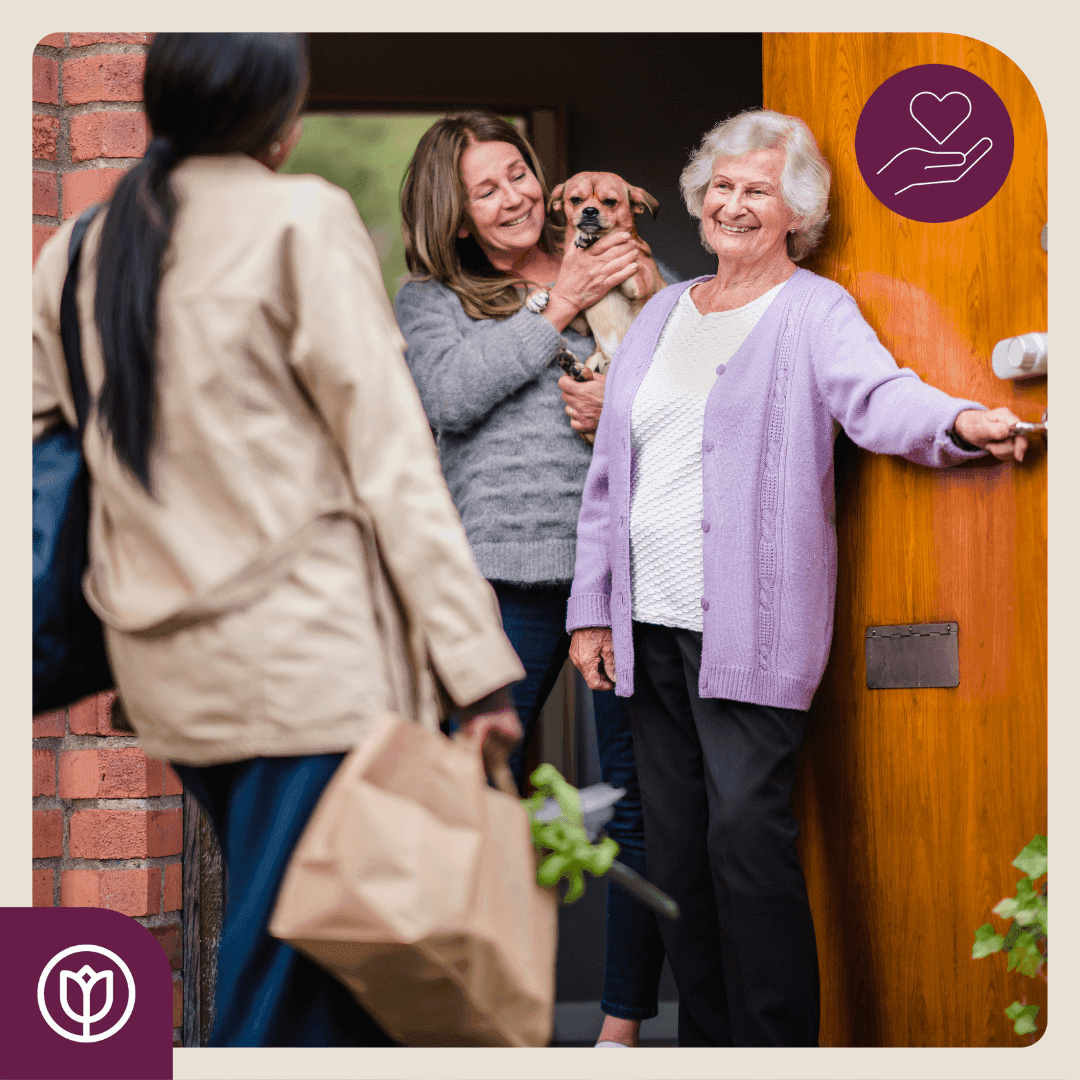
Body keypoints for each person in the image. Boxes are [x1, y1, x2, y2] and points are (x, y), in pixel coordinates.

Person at [32, 34, 525, 1048]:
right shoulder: (300, 218)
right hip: (305, 667)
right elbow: (389, 456)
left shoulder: (80, 245)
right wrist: (476, 671)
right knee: (290, 986)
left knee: (308, 961)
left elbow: (45, 453)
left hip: (169, 671)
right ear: (279, 120)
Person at [566, 108, 1032, 1048]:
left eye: (759, 190)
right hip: (644, 626)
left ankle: (777, 1052)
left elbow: (878, 396)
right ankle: (706, 1048)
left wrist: (961, 423)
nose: (735, 205)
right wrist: (592, 609)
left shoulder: (813, 311)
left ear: (796, 214)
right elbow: (608, 478)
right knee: (680, 859)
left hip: (751, 630)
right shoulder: (660, 313)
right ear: (700, 200)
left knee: (747, 846)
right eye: (723, 188)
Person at [394, 110, 669, 1048]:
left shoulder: (621, 261)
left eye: (518, 173)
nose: (513, 196)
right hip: (504, 582)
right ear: (457, 215)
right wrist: (557, 307)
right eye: (487, 188)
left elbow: (687, 396)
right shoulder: (432, 298)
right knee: (466, 799)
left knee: (638, 802)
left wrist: (616, 408)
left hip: (627, 574)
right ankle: (454, 1023)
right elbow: (452, 396)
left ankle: (620, 1036)